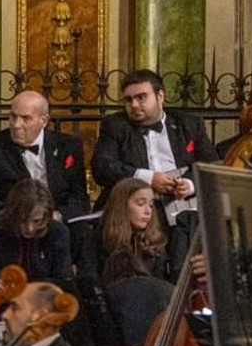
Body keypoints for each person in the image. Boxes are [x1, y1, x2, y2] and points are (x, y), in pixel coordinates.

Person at [89, 69, 218, 267]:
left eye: (141, 98)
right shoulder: (115, 125)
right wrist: (148, 179)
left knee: (195, 223)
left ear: (160, 96)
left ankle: (184, 284)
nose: (133, 105)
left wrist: (190, 184)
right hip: (138, 201)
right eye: (128, 100)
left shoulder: (189, 124)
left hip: (182, 201)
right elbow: (102, 167)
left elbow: (210, 164)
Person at [0, 90, 89, 222]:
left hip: (57, 220)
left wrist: (57, 216)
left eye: (26, 118)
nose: (16, 125)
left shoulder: (68, 146)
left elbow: (79, 197)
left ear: (44, 121)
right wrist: (24, 217)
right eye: (13, 116)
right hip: (13, 223)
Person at [0, 179, 73, 294]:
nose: (30, 228)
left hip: (42, 301)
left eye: (36, 221)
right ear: (12, 214)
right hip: (3, 300)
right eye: (23, 220)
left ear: (46, 216)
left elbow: (64, 280)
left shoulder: (58, 233)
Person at [79, 177, 173, 287]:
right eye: (140, 204)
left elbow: (161, 286)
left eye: (151, 205)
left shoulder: (155, 244)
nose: (148, 211)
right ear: (122, 206)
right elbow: (88, 284)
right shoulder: (96, 241)